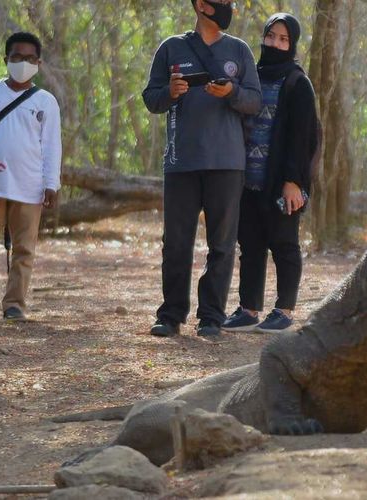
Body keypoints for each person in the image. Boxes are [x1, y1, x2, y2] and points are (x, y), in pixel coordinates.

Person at [143, 0, 262, 338]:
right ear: (200, 5)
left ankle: (211, 316)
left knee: (222, 244)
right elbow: (151, 98)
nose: (228, 6)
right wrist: (171, 91)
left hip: (227, 163)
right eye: (222, 1)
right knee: (177, 242)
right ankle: (170, 315)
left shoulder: (238, 50)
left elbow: (254, 101)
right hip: (181, 162)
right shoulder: (171, 48)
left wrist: (231, 92)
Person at [221, 13, 319, 333]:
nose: (275, 43)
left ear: (292, 44)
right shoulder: (253, 77)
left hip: (282, 182)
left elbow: (303, 138)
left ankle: (285, 310)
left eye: (283, 39)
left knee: (284, 244)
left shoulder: (297, 82)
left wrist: (294, 182)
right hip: (248, 179)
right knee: (250, 245)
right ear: (262, 38)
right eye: (271, 37)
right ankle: (248, 309)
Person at [0, 32, 61, 322]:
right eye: (17, 57)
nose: (23, 63)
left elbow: (52, 145)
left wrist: (50, 183)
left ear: (38, 63)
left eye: (30, 58)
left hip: (30, 186)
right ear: (6, 59)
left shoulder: (46, 101)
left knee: (24, 249)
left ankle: (15, 304)